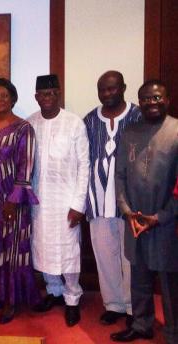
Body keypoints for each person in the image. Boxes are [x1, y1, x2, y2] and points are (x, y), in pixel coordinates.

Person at [111, 80, 178, 343]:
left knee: (170, 282)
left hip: (166, 223)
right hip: (135, 221)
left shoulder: (176, 131)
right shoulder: (129, 132)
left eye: (157, 97)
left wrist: (160, 217)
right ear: (139, 102)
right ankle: (141, 324)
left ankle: (173, 333)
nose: (151, 102)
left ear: (168, 99)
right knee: (138, 277)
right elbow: (120, 177)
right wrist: (127, 212)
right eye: (146, 99)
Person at [28, 74, 90, 327]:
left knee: (68, 252)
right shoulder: (30, 123)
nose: (48, 98)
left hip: (66, 203)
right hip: (39, 203)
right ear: (36, 97)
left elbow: (84, 166)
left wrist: (79, 205)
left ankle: (72, 298)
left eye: (53, 93)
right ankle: (54, 292)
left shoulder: (74, 123)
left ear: (59, 94)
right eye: (44, 94)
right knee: (42, 249)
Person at [0, 78, 41, 324]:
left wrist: (13, 200)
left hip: (12, 203)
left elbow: (26, 169)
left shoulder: (23, 128)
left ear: (13, 99)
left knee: (13, 251)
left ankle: (11, 300)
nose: (0, 99)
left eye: (5, 95)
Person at [84, 71, 141, 326]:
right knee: (105, 256)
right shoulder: (89, 120)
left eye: (112, 89)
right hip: (97, 201)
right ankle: (114, 304)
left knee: (131, 258)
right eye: (102, 90)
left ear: (123, 88)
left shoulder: (138, 116)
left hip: (130, 202)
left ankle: (133, 307)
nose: (107, 94)